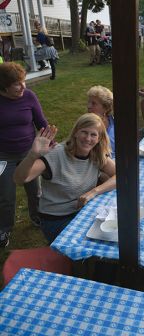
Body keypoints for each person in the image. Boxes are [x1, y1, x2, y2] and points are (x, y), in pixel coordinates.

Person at [14, 113, 116, 244]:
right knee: (94, 243)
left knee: (111, 235)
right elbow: (19, 179)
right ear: (75, 133)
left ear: (99, 139)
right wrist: (32, 155)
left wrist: (93, 192)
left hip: (82, 213)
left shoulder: (96, 155)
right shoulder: (56, 154)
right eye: (84, 132)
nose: (88, 138)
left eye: (93, 135)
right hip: (56, 220)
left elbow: (121, 176)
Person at [0, 63, 48, 247]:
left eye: (23, 81)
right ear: (4, 86)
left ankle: (37, 217)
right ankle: (4, 229)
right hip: (3, 156)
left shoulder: (28, 96)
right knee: (5, 196)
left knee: (35, 190)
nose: (23, 87)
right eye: (17, 84)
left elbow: (41, 122)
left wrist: (49, 142)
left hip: (29, 152)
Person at [87, 85, 115, 158]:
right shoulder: (87, 124)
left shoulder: (112, 120)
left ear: (106, 108)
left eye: (93, 103)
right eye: (89, 102)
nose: (88, 106)